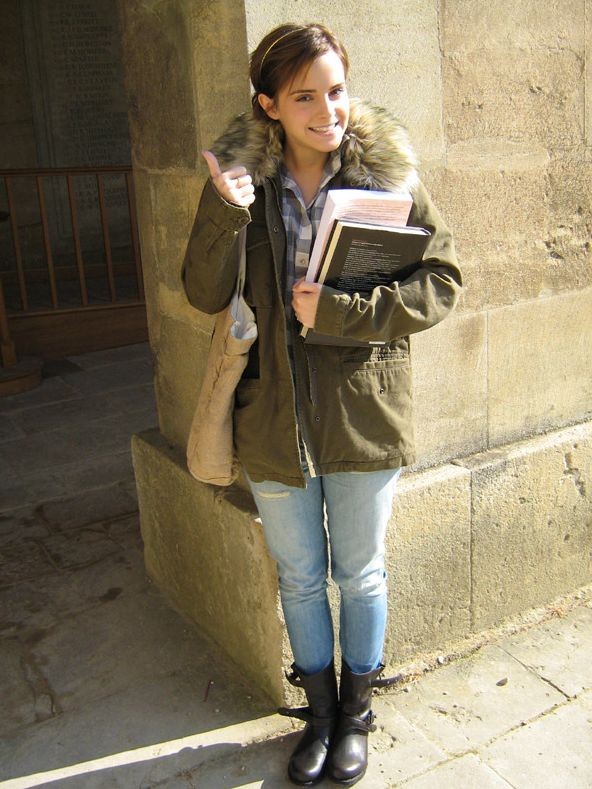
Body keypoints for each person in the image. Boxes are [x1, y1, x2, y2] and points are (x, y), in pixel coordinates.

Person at [183, 22, 462, 786]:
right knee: (300, 575)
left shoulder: (388, 175)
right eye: (304, 95)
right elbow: (202, 291)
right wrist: (220, 211)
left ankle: (358, 715)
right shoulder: (243, 184)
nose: (327, 110)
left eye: (335, 90)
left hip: (363, 412)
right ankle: (321, 713)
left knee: (360, 571)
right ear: (269, 104)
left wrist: (337, 313)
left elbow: (440, 282)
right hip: (272, 416)